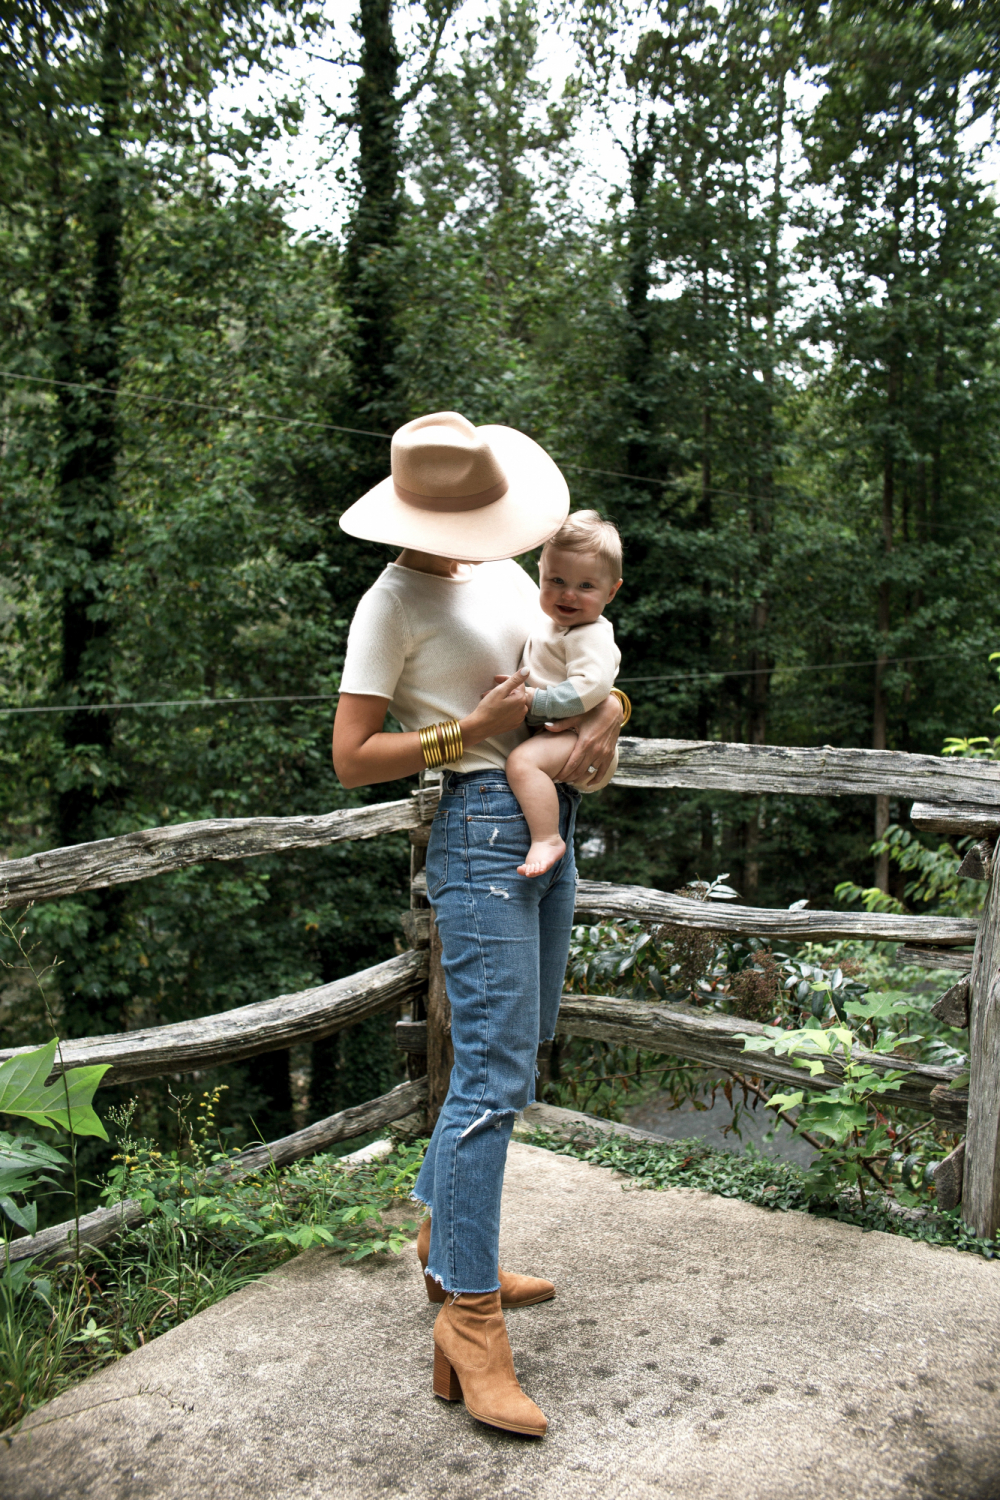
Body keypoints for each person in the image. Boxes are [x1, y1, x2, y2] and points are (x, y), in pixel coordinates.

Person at [332, 411, 628, 1438]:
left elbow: (571, 663)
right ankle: (467, 1318)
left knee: (522, 1042)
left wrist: (607, 716)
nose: (479, 531)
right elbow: (351, 756)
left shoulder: (508, 572)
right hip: (475, 831)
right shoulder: (389, 602)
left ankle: (442, 1235)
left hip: (549, 813)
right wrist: (468, 730)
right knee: (493, 1073)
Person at [505, 511, 623, 877]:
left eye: (586, 586)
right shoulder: (552, 625)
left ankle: (547, 838)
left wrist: (532, 702)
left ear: (612, 591)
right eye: (556, 580)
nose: (568, 594)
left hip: (578, 739)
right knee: (526, 761)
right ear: (539, 573)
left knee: (522, 763)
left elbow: (592, 687)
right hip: (563, 735)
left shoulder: (592, 635)